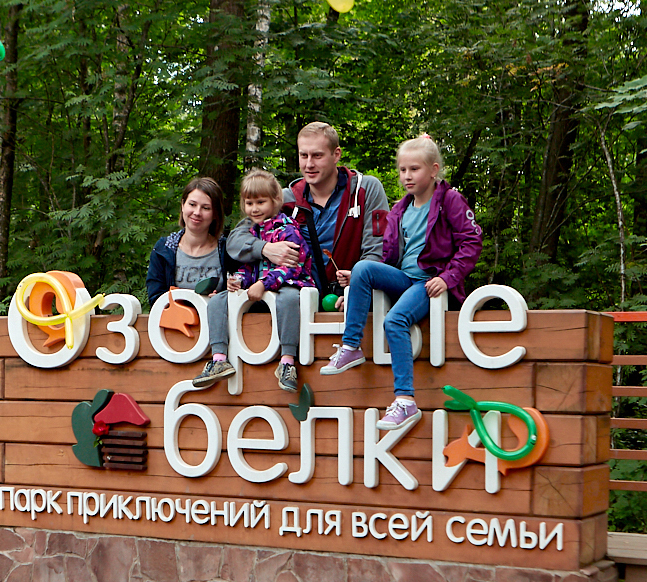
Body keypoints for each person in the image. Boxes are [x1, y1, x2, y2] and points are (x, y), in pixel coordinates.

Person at [319, 133, 482, 430]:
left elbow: (471, 242)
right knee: (362, 268)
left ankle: (405, 401)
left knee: (394, 321)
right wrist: (356, 285)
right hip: (404, 277)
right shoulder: (400, 208)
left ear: (433, 170)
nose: (407, 176)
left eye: (414, 169)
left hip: (429, 282)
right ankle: (351, 347)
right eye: (403, 170)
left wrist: (447, 278)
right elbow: (389, 257)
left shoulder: (449, 200)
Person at [227, 121, 389, 297]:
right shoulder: (286, 199)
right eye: (303, 155)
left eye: (317, 156)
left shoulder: (364, 190)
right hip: (302, 296)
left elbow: (379, 250)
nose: (309, 164)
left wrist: (357, 287)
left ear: (336, 154)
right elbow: (235, 240)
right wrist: (265, 248)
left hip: (355, 296)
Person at [201, 169, 318, 392]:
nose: (254, 208)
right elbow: (249, 265)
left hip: (287, 284)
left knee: (289, 299)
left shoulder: (288, 229)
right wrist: (238, 280)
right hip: (257, 288)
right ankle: (218, 358)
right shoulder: (251, 232)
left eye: (260, 202)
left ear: (275, 200)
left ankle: (287, 361)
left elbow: (292, 267)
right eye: (249, 203)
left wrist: (264, 284)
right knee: (217, 301)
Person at [145, 176, 241, 381]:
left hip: (224, 344)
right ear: (182, 206)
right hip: (177, 340)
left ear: (215, 214)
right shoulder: (164, 249)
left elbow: (242, 290)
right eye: (192, 204)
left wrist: (225, 295)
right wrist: (192, 301)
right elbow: (155, 298)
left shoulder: (228, 249)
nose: (197, 212)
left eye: (206, 208)